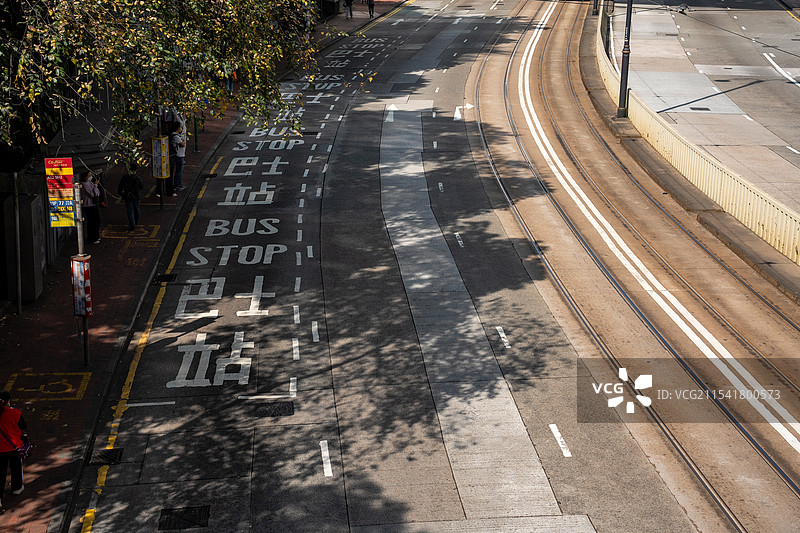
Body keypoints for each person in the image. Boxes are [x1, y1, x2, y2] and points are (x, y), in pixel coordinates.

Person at [0, 391, 27, 514]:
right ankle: (17, 488)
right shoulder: (14, 413)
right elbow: (23, 425)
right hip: (13, 446)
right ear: (8, 401)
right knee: (16, 466)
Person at [118, 163, 144, 231]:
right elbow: (141, 187)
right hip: (136, 196)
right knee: (137, 209)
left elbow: (120, 187)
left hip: (128, 196)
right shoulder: (138, 178)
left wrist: (122, 194)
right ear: (136, 170)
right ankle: (136, 221)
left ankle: (132, 224)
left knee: (130, 211)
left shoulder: (125, 177)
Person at [80, 172, 102, 244]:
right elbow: (92, 194)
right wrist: (95, 186)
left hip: (93, 204)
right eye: (89, 175)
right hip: (88, 205)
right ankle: (92, 238)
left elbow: (97, 193)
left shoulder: (89, 182)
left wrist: (95, 187)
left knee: (96, 220)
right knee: (92, 221)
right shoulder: (83, 184)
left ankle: (96, 236)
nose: (90, 176)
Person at [170, 121, 187, 192]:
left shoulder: (175, 136)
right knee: (179, 171)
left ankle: (178, 184)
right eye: (180, 127)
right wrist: (183, 142)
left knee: (179, 171)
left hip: (180, 155)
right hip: (179, 155)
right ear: (177, 128)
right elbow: (182, 144)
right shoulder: (175, 137)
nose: (180, 128)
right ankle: (177, 185)